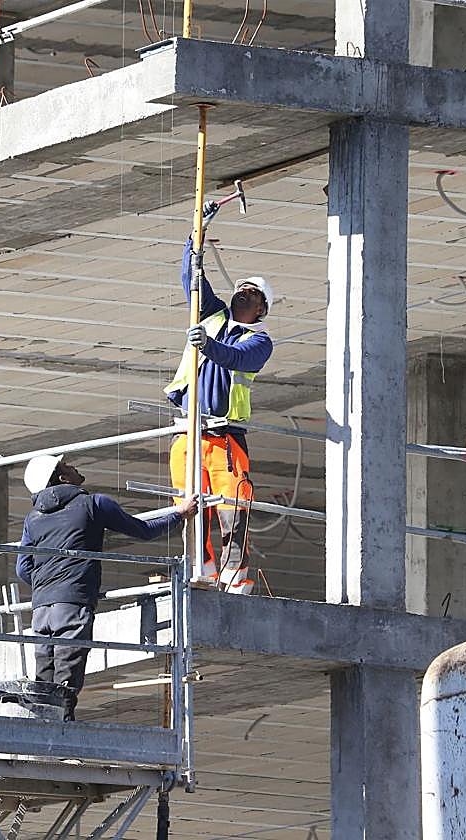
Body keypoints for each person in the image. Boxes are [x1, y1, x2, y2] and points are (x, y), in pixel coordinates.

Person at [16, 454, 197, 720]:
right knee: (67, 674)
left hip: (41, 608)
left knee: (45, 679)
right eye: (66, 466)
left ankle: (44, 737)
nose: (73, 466)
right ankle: (62, 740)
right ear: (62, 478)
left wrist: (50, 583)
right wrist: (179, 515)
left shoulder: (33, 518)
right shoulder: (93, 504)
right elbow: (143, 530)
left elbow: (22, 569)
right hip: (72, 602)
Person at [164, 200, 274, 594]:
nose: (242, 294)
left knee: (232, 509)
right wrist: (198, 232)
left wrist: (208, 346)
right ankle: (202, 570)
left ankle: (234, 575)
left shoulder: (259, 340)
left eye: (251, 294)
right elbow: (190, 276)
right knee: (191, 508)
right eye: (240, 290)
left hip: (225, 437)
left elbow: (235, 357)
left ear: (261, 309)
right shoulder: (210, 313)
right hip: (188, 434)